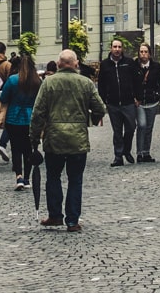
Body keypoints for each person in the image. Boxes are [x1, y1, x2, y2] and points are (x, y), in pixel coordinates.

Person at [29, 49, 105, 231]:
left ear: (58, 64)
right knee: (75, 179)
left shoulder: (48, 83)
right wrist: (90, 120)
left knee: (53, 177)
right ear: (76, 64)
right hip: (77, 138)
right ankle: (72, 220)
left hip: (54, 137)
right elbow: (100, 108)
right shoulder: (85, 83)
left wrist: (34, 138)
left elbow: (38, 112)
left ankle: (55, 215)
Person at [2, 52, 42, 191]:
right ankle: (27, 177)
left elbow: (3, 98)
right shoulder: (37, 81)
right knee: (28, 149)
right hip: (30, 118)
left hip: (13, 117)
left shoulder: (13, 80)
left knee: (16, 148)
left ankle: (18, 176)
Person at [98, 37, 139, 167]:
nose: (117, 49)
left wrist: (136, 97)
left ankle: (126, 150)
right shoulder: (104, 64)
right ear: (111, 48)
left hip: (128, 102)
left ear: (122, 49)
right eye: (115, 47)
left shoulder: (129, 62)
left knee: (131, 128)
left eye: (119, 47)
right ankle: (118, 156)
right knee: (117, 131)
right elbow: (101, 84)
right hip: (113, 103)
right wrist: (104, 99)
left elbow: (136, 80)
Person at [133, 41, 160, 163]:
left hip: (152, 102)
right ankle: (139, 153)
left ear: (149, 54)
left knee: (149, 127)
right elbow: (131, 84)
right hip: (139, 103)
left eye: (145, 52)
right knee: (141, 125)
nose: (143, 54)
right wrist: (134, 97)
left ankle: (146, 152)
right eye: (141, 52)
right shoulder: (134, 66)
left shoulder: (156, 67)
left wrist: (157, 95)